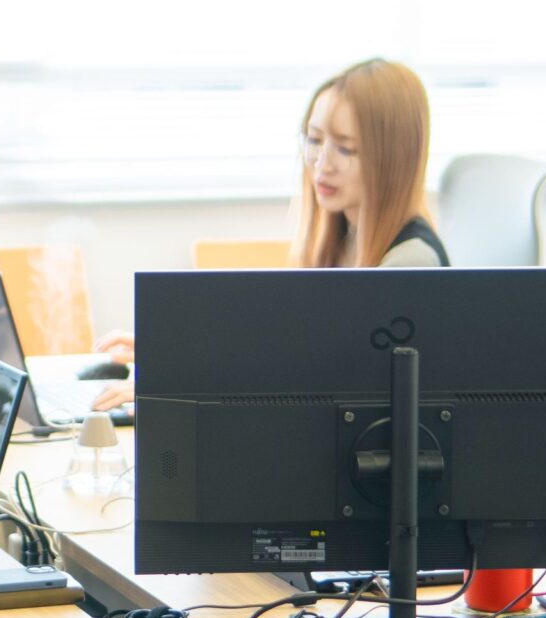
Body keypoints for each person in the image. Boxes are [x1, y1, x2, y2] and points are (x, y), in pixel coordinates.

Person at [91, 57, 444, 402]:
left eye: (346, 148)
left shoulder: (409, 263)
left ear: (395, 158)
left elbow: (321, 379)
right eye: (314, 139)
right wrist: (176, 356)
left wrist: (181, 379)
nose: (322, 163)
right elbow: (292, 351)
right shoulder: (343, 240)